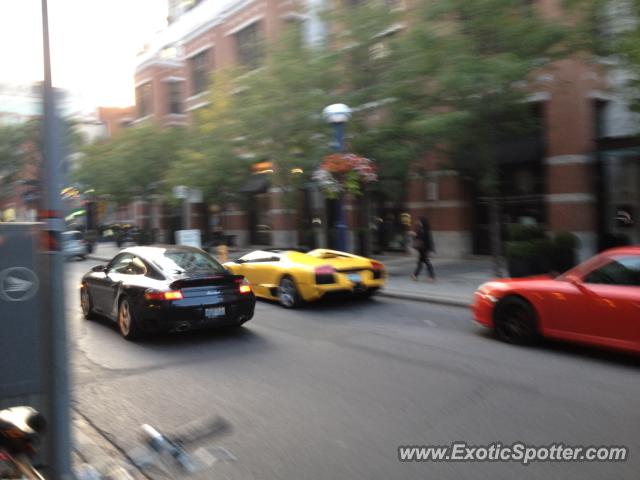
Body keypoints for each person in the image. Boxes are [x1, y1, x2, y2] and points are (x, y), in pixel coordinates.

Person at [410, 217, 435, 281]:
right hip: (421, 249)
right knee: (421, 263)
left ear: (423, 222)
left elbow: (427, 240)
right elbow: (418, 237)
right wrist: (414, 235)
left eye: (420, 221)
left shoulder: (426, 230)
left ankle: (432, 277)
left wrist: (430, 250)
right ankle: (415, 275)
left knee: (426, 263)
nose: (419, 222)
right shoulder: (421, 229)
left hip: (425, 249)